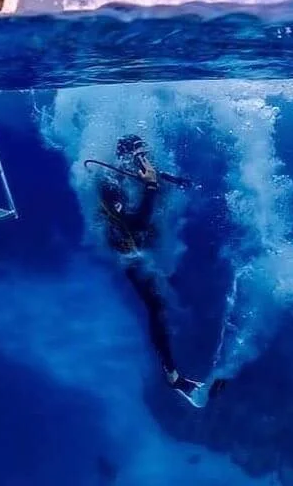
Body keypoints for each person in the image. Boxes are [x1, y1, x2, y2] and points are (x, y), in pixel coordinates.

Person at [95, 134, 205, 407]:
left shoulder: (138, 170)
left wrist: (176, 182)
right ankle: (173, 376)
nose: (145, 161)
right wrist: (152, 187)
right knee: (155, 306)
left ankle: (180, 331)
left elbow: (161, 180)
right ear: (124, 157)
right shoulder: (109, 183)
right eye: (139, 156)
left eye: (146, 155)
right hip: (127, 246)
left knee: (170, 283)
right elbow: (136, 224)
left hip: (144, 238)